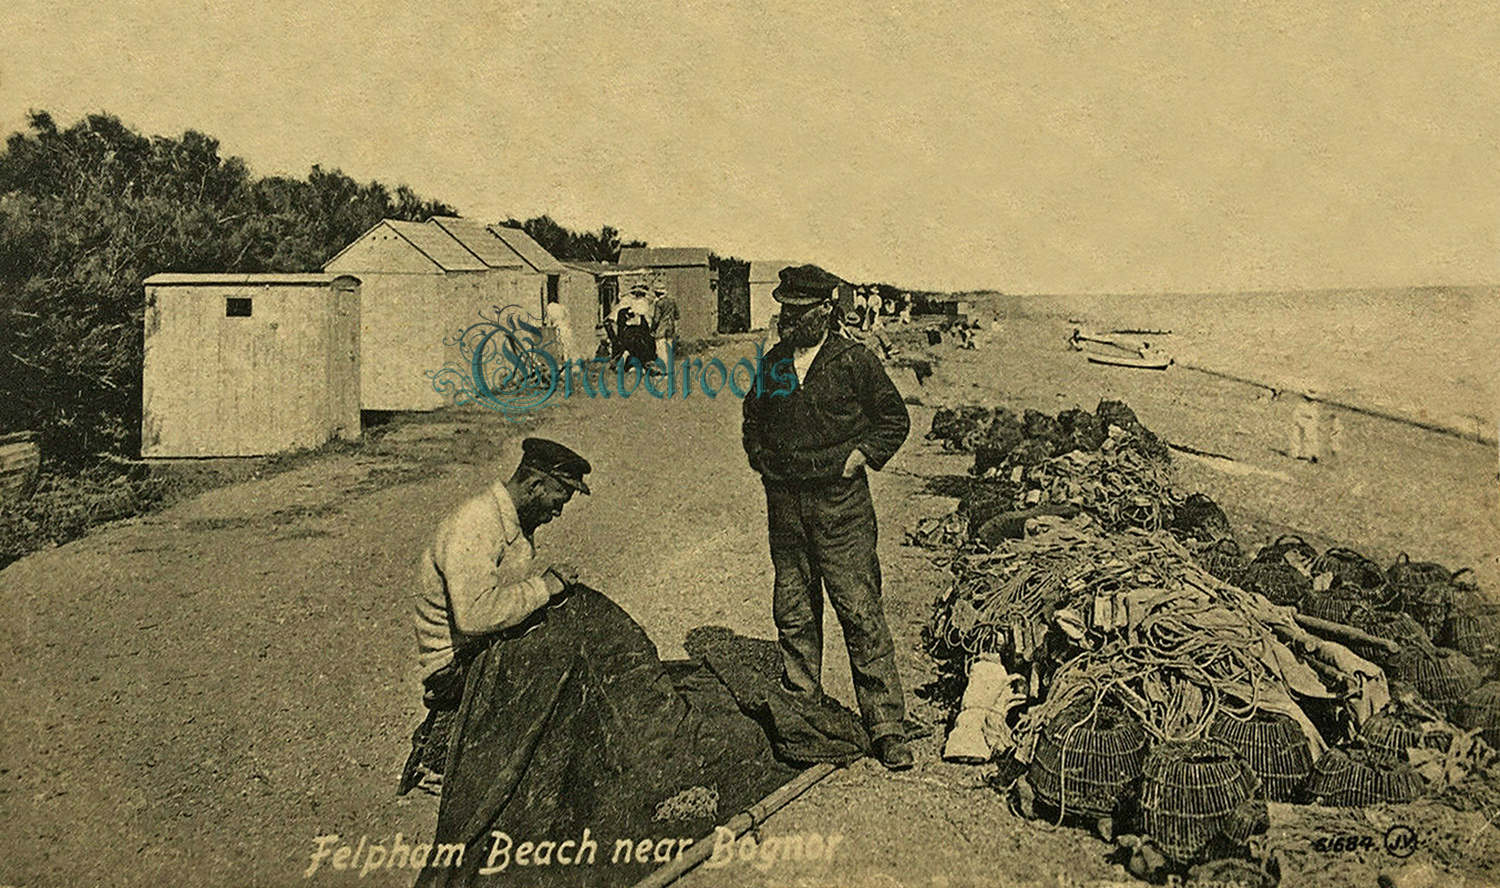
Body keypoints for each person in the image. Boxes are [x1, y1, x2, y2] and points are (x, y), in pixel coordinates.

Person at [741, 264, 915, 770]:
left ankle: (886, 726)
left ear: (825, 312)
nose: (788, 319)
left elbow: (893, 420)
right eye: (785, 311)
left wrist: (857, 458)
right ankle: (804, 708)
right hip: (787, 507)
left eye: (798, 312)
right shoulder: (774, 363)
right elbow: (752, 419)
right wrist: (762, 460)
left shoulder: (854, 360)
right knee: (793, 609)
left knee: (859, 611)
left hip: (841, 508)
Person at [398, 438, 592, 796]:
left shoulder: (510, 519)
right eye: (558, 500)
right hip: (453, 664)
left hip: (478, 645)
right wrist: (543, 587)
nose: (559, 512)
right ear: (534, 485)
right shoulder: (475, 524)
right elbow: (475, 616)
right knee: (561, 666)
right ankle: (441, 751)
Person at [652, 284, 679, 364]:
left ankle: (663, 368)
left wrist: (653, 328)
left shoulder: (659, 303)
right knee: (669, 347)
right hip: (670, 326)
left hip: (661, 327)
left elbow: (656, 319)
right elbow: (677, 315)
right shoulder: (672, 301)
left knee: (661, 348)